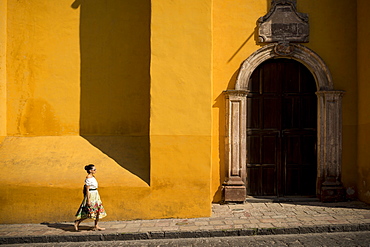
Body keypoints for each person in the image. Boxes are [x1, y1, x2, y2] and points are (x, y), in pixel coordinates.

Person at [74, 164, 107, 231]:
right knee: (89, 211)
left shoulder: (93, 177)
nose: (95, 170)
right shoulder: (88, 178)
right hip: (91, 195)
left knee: (98, 211)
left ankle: (96, 225)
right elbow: (87, 189)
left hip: (95, 194)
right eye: (94, 169)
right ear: (90, 170)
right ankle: (77, 222)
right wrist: (88, 200)